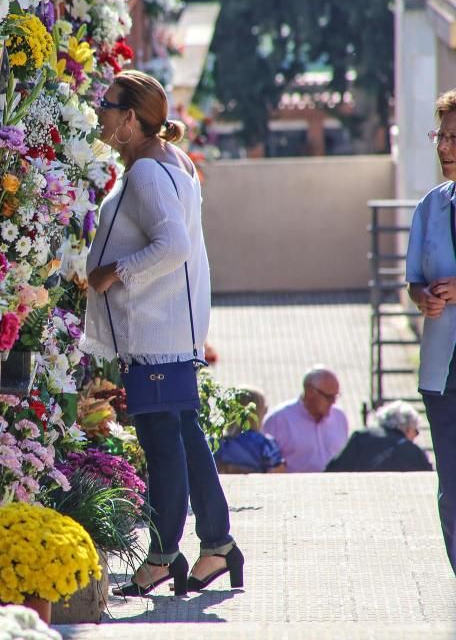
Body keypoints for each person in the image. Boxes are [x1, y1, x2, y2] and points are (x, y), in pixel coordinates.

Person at [83, 70, 241, 597]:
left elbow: (172, 245)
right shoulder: (173, 162)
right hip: (171, 325)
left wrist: (113, 272)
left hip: (155, 327)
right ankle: (218, 545)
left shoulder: (150, 173)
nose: (100, 113)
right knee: (184, 435)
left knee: (163, 442)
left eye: (107, 106)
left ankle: (162, 557)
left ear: (131, 118)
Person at [406, 86, 456, 575]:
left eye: (454, 137)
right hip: (442, 372)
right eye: (440, 136)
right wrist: (422, 297)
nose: (444, 147)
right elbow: (413, 282)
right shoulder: (430, 206)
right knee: (452, 486)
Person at [261, 366, 349, 473]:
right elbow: (266, 464)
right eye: (329, 397)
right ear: (310, 392)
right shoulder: (279, 420)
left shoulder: (340, 417)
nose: (333, 402)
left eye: (336, 396)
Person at [325, 401, 431, 473]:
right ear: (407, 428)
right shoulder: (415, 453)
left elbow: (334, 469)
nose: (416, 436)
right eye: (416, 431)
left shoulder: (361, 437)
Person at [214, 387, 287, 474]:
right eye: (265, 409)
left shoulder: (216, 443)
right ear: (257, 412)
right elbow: (279, 476)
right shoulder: (265, 444)